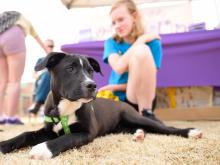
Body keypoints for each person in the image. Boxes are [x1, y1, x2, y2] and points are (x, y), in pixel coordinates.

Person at [99, 0, 163, 121]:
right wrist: (140, 41)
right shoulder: (111, 42)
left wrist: (115, 87)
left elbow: (147, 81)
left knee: (142, 50)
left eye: (121, 19)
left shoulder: (153, 43)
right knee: (141, 49)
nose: (117, 26)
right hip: (120, 101)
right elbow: (118, 68)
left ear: (134, 17)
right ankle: (143, 120)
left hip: (144, 99)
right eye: (113, 23)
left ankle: (146, 114)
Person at [0, 11, 50, 124]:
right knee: (14, 81)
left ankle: (1, 117)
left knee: (2, 83)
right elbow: (38, 39)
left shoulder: (4, 24)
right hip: (13, 38)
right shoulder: (25, 22)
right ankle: (11, 118)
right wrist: (47, 51)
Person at [27, 39, 54, 115]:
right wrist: (39, 76)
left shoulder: (57, 58)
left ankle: (38, 103)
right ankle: (43, 104)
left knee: (49, 74)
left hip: (54, 80)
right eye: (47, 46)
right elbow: (33, 74)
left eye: (51, 46)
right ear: (43, 47)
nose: (49, 48)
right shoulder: (41, 60)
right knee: (46, 75)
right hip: (43, 80)